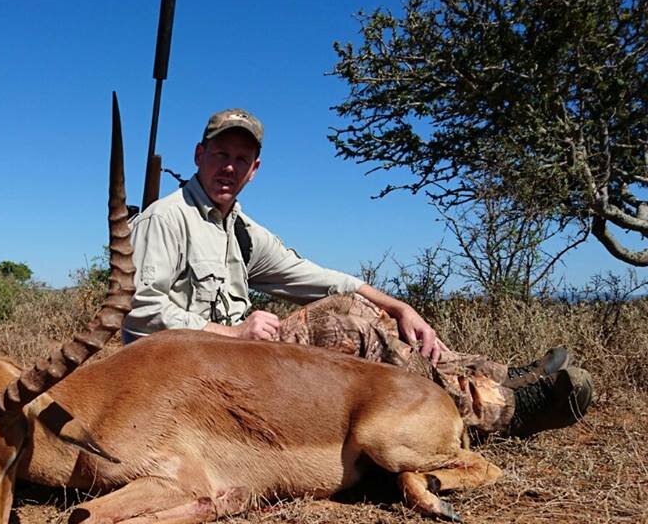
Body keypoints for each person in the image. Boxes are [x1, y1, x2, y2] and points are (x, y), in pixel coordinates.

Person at [122, 108, 593, 437]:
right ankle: (493, 411)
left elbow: (311, 275)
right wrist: (227, 331)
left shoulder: (238, 228)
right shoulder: (166, 218)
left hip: (243, 354)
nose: (230, 166)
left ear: (255, 169)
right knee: (346, 327)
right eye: (221, 154)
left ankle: (493, 375)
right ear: (199, 154)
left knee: (359, 306)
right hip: (192, 366)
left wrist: (397, 305)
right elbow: (137, 310)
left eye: (241, 159)